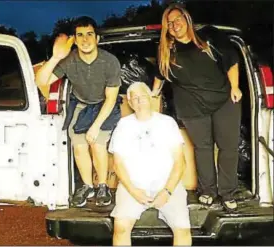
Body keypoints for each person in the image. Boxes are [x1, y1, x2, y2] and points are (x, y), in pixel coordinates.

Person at [152, 4, 242, 212]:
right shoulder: (167, 51)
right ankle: (208, 191)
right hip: (192, 107)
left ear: (186, 18)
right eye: (169, 24)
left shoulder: (209, 36)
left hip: (224, 100)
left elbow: (231, 61)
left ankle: (227, 193)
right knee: (203, 149)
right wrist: (152, 95)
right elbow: (159, 75)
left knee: (228, 148)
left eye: (177, 19)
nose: (175, 25)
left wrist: (235, 87)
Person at [35, 16, 121, 207]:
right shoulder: (69, 59)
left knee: (97, 143)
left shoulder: (110, 61)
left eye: (89, 34)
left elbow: (111, 98)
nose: (85, 39)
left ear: (97, 39)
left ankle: (102, 186)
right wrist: (56, 57)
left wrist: (96, 126)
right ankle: (88, 185)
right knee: (79, 145)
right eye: (80, 35)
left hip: (104, 105)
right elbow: (41, 81)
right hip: (81, 105)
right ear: (74, 39)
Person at [109, 82, 192, 246]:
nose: (140, 101)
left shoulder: (167, 123)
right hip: (133, 186)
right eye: (135, 98)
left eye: (143, 97)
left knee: (182, 230)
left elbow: (180, 162)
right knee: (121, 228)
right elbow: (117, 164)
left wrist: (167, 191)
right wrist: (134, 191)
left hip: (167, 185)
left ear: (151, 99)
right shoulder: (123, 125)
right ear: (130, 103)